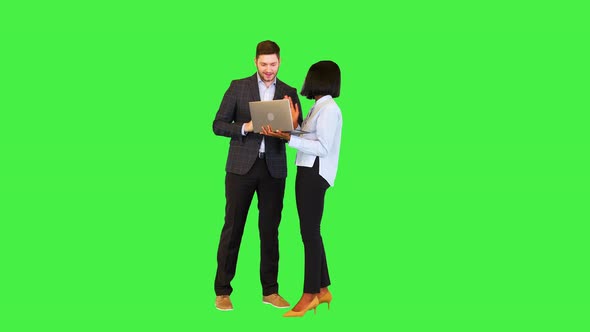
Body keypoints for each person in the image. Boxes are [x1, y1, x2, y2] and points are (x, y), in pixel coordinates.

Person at [212, 40, 303, 311]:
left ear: (280, 62)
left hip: (273, 169)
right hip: (241, 168)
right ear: (255, 62)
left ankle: (270, 291)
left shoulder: (289, 91)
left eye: (273, 64)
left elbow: (298, 133)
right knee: (233, 227)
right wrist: (247, 127)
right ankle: (222, 291)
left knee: (270, 230)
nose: (268, 69)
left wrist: (292, 127)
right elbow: (217, 125)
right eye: (263, 64)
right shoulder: (238, 86)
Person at [261, 60, 342, 317]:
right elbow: (309, 139)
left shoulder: (329, 109)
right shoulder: (318, 106)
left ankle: (309, 295)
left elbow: (323, 148)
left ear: (318, 79)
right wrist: (294, 126)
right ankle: (323, 287)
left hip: (315, 174)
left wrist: (288, 137)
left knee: (310, 234)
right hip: (307, 171)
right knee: (311, 232)